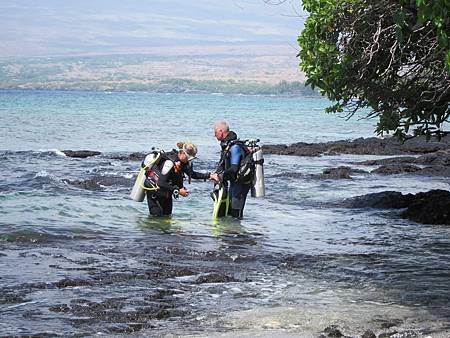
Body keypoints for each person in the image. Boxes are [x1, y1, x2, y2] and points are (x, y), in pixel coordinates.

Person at [144, 141, 211, 216]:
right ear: (182, 153)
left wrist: (209, 176)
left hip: (167, 193)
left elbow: (192, 174)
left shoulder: (182, 162)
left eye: (191, 159)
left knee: (167, 217)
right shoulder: (169, 163)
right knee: (156, 220)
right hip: (155, 193)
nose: (189, 160)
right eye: (188, 157)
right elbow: (161, 183)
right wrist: (178, 191)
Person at [210, 121, 252, 219]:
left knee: (236, 212)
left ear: (221, 131)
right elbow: (223, 164)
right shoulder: (227, 145)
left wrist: (220, 176)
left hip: (241, 184)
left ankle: (236, 232)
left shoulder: (235, 147)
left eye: (215, 133)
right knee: (230, 211)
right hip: (234, 183)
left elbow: (233, 169)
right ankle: (230, 232)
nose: (214, 135)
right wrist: (216, 174)